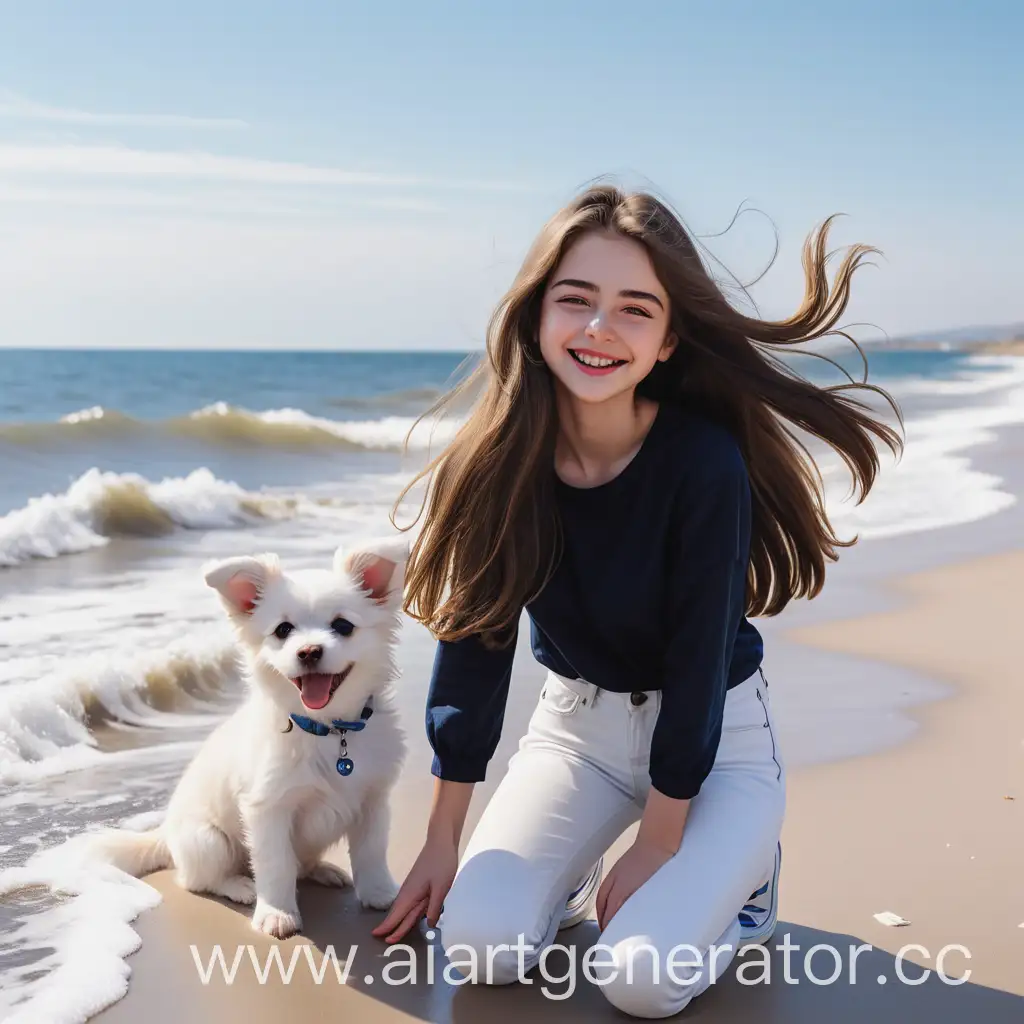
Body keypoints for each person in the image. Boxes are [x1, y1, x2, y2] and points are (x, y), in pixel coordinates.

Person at [371, 183, 902, 1017]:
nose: (597, 329)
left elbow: (696, 663)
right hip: (575, 737)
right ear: (535, 318)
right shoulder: (495, 463)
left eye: (633, 309)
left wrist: (660, 840)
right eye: (574, 300)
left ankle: (747, 888)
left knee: (640, 981)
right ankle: (578, 871)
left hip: (716, 746)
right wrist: (441, 839)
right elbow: (475, 648)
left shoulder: (703, 462)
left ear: (666, 340)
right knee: (480, 947)